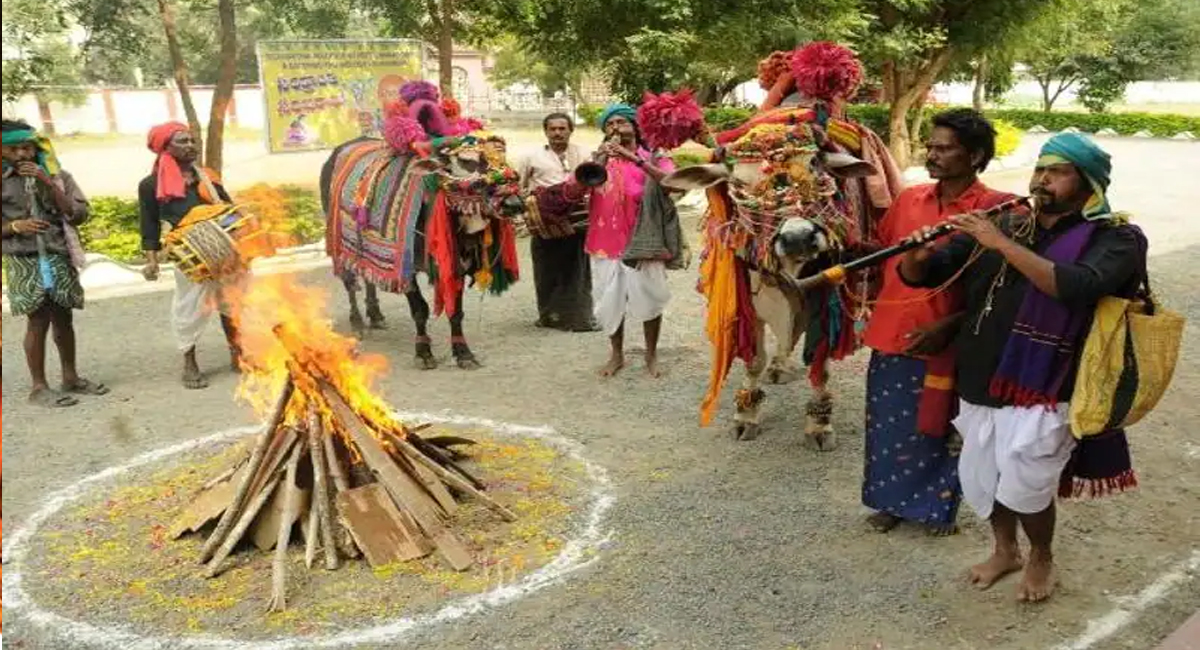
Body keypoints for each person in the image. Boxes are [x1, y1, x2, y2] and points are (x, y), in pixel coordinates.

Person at [899, 132, 1143, 603]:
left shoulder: (1115, 238)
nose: (1042, 180)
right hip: (981, 372)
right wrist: (917, 254)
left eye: (1058, 172)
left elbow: (1074, 286)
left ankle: (1041, 555)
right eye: (1039, 170)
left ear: (1089, 183)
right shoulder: (1008, 223)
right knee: (985, 473)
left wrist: (997, 242)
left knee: (1028, 481)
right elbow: (924, 274)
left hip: (1047, 382)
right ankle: (1005, 550)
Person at [859, 109, 1014, 536]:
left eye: (944, 149)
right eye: (930, 147)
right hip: (893, 331)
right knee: (889, 426)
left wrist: (951, 325)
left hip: (954, 340)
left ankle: (935, 507)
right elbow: (883, 251)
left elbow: (1003, 289)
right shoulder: (909, 199)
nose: (932, 155)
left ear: (975, 156)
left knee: (944, 425)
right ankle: (889, 502)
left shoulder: (997, 210)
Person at [2, 119, 109, 407]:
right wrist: (15, 226)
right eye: (13, 149)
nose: (22, 154)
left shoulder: (58, 175)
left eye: (27, 148)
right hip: (23, 258)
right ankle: (39, 387)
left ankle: (70, 377)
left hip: (57, 253)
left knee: (64, 316)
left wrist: (47, 182)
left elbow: (78, 214)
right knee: (37, 319)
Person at [138, 121, 242, 390]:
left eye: (192, 140)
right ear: (166, 148)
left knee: (232, 302)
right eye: (182, 142)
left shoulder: (208, 178)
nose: (191, 146)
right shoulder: (150, 185)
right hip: (189, 256)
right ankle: (189, 362)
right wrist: (151, 261)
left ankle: (237, 353)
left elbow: (229, 209)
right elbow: (149, 224)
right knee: (189, 308)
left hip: (222, 250)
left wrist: (241, 237)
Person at [586, 103, 677, 377]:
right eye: (610, 124)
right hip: (605, 243)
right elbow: (577, 186)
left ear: (635, 127)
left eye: (621, 122)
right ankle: (616, 355)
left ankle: (651, 355)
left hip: (644, 242)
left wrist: (634, 158)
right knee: (610, 301)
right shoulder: (598, 160)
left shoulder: (654, 156)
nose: (615, 128)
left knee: (650, 298)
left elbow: (672, 182)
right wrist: (600, 159)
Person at [518, 112, 597, 332]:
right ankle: (549, 316)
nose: (557, 133)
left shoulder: (585, 153)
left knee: (578, 269)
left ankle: (579, 317)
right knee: (546, 268)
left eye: (562, 128)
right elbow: (520, 187)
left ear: (571, 130)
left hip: (577, 220)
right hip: (544, 223)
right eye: (552, 129)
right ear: (545, 131)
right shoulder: (530, 156)